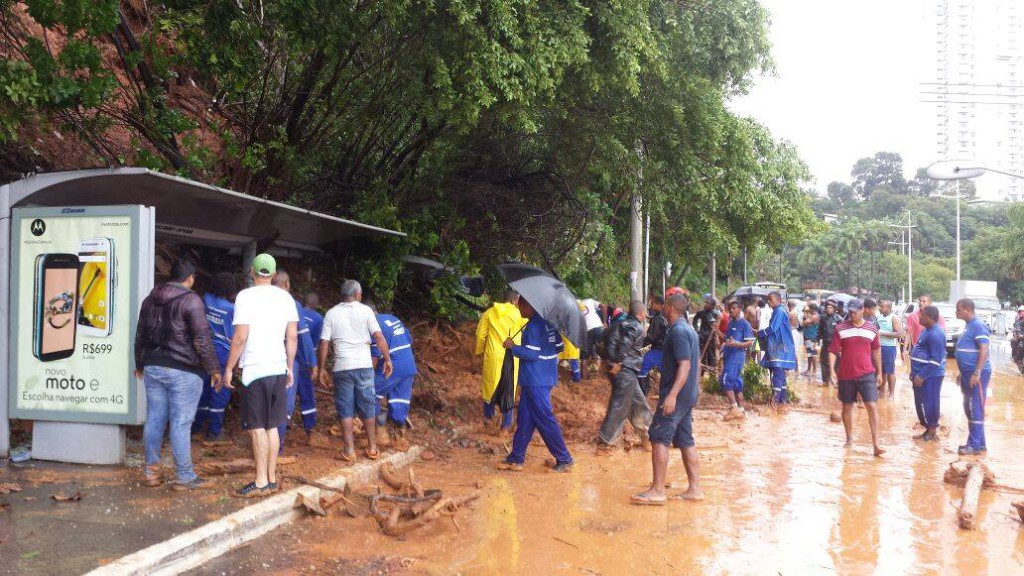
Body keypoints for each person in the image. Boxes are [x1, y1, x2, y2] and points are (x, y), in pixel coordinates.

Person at [135, 260, 221, 490]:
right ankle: (184, 476)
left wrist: (140, 363)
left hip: (154, 366)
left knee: (155, 419)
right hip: (183, 370)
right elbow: (201, 338)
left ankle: (151, 473)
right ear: (190, 278)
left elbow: (140, 333)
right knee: (181, 422)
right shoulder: (191, 300)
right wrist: (214, 369)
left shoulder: (150, 299)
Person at [220, 254, 298, 497]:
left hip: (255, 370)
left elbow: (240, 337)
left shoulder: (245, 296)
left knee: (256, 428)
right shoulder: (286, 297)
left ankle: (261, 481)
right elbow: (292, 337)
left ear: (252, 273)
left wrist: (229, 368)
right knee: (272, 425)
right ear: (274, 275)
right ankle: (272, 479)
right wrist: (289, 366)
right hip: (277, 369)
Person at [631, 293, 702, 505]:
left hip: (676, 395)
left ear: (670, 307)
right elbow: (696, 364)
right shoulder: (689, 330)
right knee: (686, 439)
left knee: (658, 437)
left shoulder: (678, 332)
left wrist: (671, 395)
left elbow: (686, 365)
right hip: (687, 394)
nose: (660, 307)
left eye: (664, 304)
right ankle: (695, 489)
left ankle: (657, 490)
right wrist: (694, 390)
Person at [318, 280, 393, 462]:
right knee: (368, 407)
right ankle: (372, 448)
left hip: (342, 368)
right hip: (364, 367)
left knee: (345, 410)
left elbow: (324, 343)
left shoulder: (331, 314)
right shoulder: (366, 311)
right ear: (358, 294)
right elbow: (378, 336)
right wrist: (387, 359)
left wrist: (321, 369)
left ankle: (349, 451)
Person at [497, 296, 574, 472]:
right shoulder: (549, 323)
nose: (518, 308)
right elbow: (559, 347)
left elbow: (531, 355)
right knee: (525, 417)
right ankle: (516, 457)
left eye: (521, 305)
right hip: (545, 376)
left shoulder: (533, 327)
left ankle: (564, 458)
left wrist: (511, 346)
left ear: (531, 305)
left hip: (535, 379)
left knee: (544, 418)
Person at [828, 298, 885, 457]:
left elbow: (876, 351)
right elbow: (833, 350)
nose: (851, 314)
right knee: (847, 407)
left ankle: (875, 443)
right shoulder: (840, 328)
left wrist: (879, 372)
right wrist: (832, 370)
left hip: (867, 373)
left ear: (862, 311)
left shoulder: (872, 329)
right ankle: (849, 439)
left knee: (872, 406)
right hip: (846, 374)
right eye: (850, 311)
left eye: (854, 311)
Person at [272, 271, 318, 451]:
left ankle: (263, 445)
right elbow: (302, 336)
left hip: (260, 358)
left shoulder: (258, 298)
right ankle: (278, 447)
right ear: (287, 284)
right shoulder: (291, 303)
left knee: (266, 402)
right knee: (283, 404)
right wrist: (312, 362)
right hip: (285, 359)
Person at [597, 301, 653, 452]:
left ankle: (649, 436)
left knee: (638, 402)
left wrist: (608, 361)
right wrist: (618, 362)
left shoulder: (617, 323)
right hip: (624, 369)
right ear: (641, 314)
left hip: (620, 370)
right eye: (644, 315)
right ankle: (605, 442)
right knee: (620, 405)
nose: (644, 318)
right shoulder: (637, 327)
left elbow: (601, 339)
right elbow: (624, 345)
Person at [193, 272, 237, 441]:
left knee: (203, 388)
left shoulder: (207, 299)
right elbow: (236, 337)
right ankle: (214, 432)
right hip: (224, 353)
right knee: (220, 390)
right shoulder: (232, 309)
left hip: (205, 351)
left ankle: (196, 427)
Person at [475, 291, 525, 436]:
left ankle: (488, 420)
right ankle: (505, 426)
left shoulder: (490, 312)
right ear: (514, 301)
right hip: (512, 357)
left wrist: (479, 352)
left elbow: (480, 335)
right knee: (508, 389)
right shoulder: (520, 315)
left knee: (490, 387)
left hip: (493, 357)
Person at [369, 303, 417, 448]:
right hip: (409, 364)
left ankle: (380, 432)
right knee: (400, 399)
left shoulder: (373, 325)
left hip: (394, 364)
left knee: (370, 392)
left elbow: (375, 357)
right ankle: (400, 436)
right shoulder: (392, 318)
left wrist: (369, 377)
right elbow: (410, 339)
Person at [954, 298, 991, 455]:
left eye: (958, 309)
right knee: (969, 408)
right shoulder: (969, 326)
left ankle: (974, 445)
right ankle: (980, 443)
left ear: (967, 309)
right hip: (967, 374)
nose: (956, 312)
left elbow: (984, 349)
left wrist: (977, 372)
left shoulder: (978, 325)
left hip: (977, 375)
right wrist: (962, 373)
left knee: (975, 408)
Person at [909, 306, 944, 442]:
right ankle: (927, 430)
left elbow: (936, 360)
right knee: (921, 403)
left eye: (922, 315)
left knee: (930, 402)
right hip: (920, 374)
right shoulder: (926, 331)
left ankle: (932, 431)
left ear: (929, 317)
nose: (919, 317)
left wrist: (922, 375)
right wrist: (914, 372)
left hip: (931, 375)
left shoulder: (936, 334)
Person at [759, 292, 797, 404]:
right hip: (780, 346)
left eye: (770, 299)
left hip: (780, 348)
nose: (768, 302)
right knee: (781, 377)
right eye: (768, 300)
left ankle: (774, 404)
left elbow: (772, 328)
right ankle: (783, 403)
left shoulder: (779, 311)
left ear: (778, 300)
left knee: (777, 374)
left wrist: (759, 333)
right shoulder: (778, 311)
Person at [720, 300, 755, 414]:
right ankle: (741, 409)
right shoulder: (730, 323)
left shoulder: (745, 324)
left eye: (734, 308)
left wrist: (736, 344)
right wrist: (717, 332)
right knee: (736, 385)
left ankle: (734, 408)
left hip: (736, 358)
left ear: (740, 309)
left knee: (724, 380)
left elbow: (750, 342)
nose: (731, 310)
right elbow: (728, 339)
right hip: (728, 356)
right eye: (730, 308)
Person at [300, 292, 326, 437]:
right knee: (307, 394)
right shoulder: (317, 318)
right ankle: (309, 429)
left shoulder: (294, 310)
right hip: (305, 361)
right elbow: (314, 344)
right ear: (316, 306)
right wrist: (315, 364)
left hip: (288, 358)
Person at [639, 295, 669, 397]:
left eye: (652, 303)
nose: (650, 305)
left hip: (658, 350)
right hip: (664, 349)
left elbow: (651, 338)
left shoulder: (657, 319)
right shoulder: (664, 316)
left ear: (658, 305)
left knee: (641, 367)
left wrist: (640, 347)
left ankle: (643, 394)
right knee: (666, 373)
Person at [877, 300, 904, 398]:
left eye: (882, 306)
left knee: (890, 371)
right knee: (882, 370)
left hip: (889, 347)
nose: (880, 308)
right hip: (879, 347)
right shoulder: (879, 317)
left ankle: (892, 393)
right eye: (880, 306)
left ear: (888, 308)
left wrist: (882, 333)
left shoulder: (894, 318)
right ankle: (881, 392)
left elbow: (899, 334)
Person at [694, 296, 720, 376]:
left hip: (711, 337)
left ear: (712, 306)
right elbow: (695, 320)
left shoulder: (716, 314)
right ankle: (700, 373)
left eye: (707, 303)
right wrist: (696, 330)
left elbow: (716, 326)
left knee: (711, 355)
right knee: (701, 354)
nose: (705, 304)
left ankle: (711, 374)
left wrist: (715, 336)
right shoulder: (701, 312)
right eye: (705, 302)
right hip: (702, 336)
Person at [818, 300, 843, 386]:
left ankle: (836, 381)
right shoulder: (823, 318)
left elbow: (842, 332)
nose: (828, 309)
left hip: (835, 344)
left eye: (830, 308)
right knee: (823, 362)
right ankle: (825, 381)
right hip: (825, 343)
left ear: (834, 309)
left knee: (837, 363)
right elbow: (820, 330)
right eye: (827, 307)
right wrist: (816, 340)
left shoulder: (839, 319)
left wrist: (841, 345)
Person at [802, 303, 820, 378]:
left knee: (813, 354)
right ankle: (809, 369)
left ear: (812, 309)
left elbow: (803, 323)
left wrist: (806, 322)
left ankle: (814, 371)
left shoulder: (814, 316)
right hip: (808, 336)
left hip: (812, 337)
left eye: (810, 309)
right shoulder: (812, 316)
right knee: (809, 354)